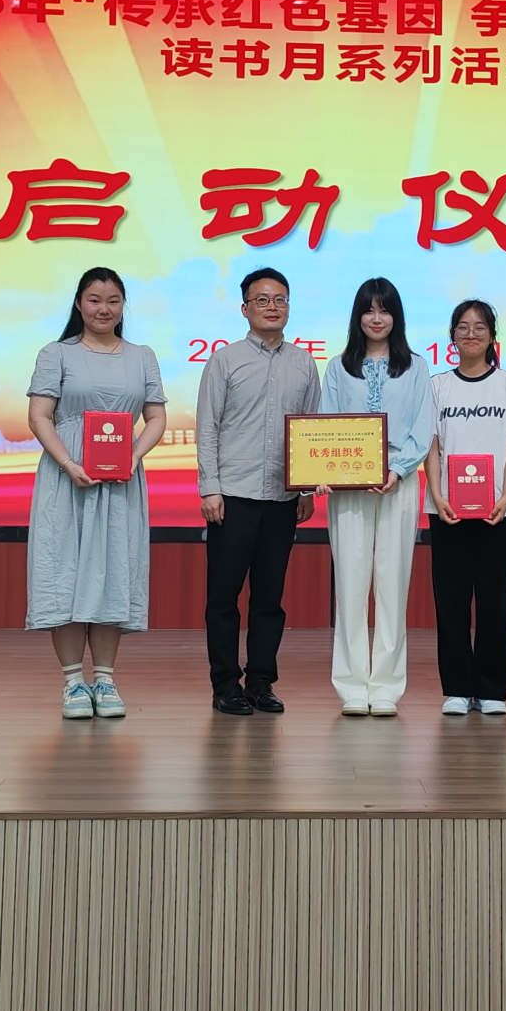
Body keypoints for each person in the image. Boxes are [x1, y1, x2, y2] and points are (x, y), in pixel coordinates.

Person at [25, 267, 168, 720]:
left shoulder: (142, 356)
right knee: (64, 574)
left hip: (121, 481)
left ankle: (104, 680)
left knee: (112, 572)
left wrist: (133, 456)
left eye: (113, 301)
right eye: (94, 300)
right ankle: (73, 683)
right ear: (79, 304)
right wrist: (69, 463)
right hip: (66, 479)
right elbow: (39, 416)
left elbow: (156, 418)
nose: (103, 309)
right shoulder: (56, 353)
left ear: (123, 306)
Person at [197, 267, 320, 716]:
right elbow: (207, 427)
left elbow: (310, 429)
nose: (272, 307)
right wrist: (210, 488)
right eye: (262, 299)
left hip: (282, 499)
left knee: (269, 600)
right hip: (232, 496)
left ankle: (261, 683)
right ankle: (225, 685)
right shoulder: (225, 360)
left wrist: (305, 488)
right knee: (224, 598)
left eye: (280, 299)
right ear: (245, 308)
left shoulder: (304, 363)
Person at [319, 278, 436, 716]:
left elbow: (423, 426)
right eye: (368, 310)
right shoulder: (338, 367)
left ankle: (386, 685)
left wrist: (397, 469)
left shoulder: (416, 367)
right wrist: (325, 472)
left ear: (395, 316)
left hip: (398, 482)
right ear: (358, 317)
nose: (376, 318)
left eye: (384, 310)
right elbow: (326, 424)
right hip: (348, 485)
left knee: (392, 583)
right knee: (350, 583)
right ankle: (352, 685)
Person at [423, 299, 506, 717]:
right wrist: (437, 494)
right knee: (450, 602)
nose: (471, 334)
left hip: (497, 510)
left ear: (492, 336)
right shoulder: (437, 386)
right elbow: (432, 445)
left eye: (480, 327)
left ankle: (491, 689)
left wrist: (505, 495)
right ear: (452, 336)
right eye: (463, 327)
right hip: (447, 509)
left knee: (494, 602)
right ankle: (456, 687)